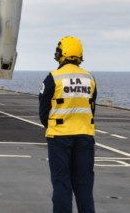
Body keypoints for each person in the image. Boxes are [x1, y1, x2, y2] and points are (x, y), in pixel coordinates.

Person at [39, 36, 97, 213]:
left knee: (61, 183)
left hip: (59, 138)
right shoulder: (90, 79)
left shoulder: (53, 78)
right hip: (85, 137)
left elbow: (43, 111)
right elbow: (91, 108)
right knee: (84, 185)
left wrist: (53, 125)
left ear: (63, 53)